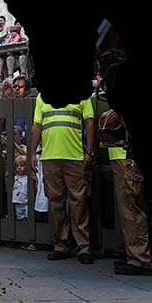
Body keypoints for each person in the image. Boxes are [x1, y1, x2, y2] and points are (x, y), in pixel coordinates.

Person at [27, 93, 96, 263]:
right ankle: (61, 245)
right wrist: (32, 153)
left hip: (74, 155)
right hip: (50, 156)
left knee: (78, 202)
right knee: (55, 202)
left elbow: (90, 122)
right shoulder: (42, 96)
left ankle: (83, 247)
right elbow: (37, 125)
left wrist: (89, 150)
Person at [100, 109, 152, 275]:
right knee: (136, 207)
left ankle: (140, 259)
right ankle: (139, 255)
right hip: (127, 158)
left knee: (131, 210)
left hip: (127, 159)